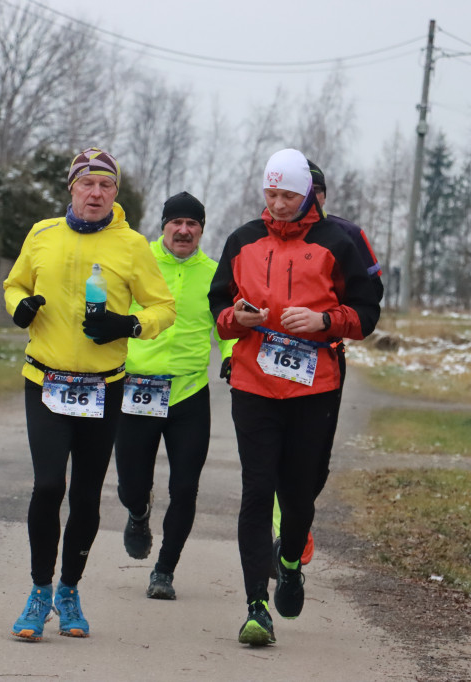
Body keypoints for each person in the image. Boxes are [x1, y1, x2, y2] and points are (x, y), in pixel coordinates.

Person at [3, 147, 176, 642]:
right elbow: (13, 285)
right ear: (71, 189)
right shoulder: (42, 234)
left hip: (104, 388)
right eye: (87, 184)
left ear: (115, 194)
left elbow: (163, 307)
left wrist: (130, 324)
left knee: (84, 497)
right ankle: (39, 591)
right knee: (48, 486)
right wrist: (21, 308)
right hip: (46, 381)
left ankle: (70, 590)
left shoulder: (132, 245)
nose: (95, 193)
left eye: (105, 186)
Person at [209, 148, 380, 646]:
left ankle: (288, 563)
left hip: (315, 386)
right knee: (257, 490)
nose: (278, 204)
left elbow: (366, 314)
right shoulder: (242, 239)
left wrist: (326, 321)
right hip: (253, 383)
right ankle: (255, 608)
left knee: (300, 492)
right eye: (271, 193)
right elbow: (219, 306)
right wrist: (235, 320)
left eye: (288, 195)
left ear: (307, 193)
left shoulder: (337, 242)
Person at [115, 191, 234, 600]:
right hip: (137, 388)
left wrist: (231, 355)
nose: (184, 230)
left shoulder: (215, 273)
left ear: (202, 229)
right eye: (176, 222)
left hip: (188, 393)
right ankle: (138, 511)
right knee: (131, 483)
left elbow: (226, 324)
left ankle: (164, 570)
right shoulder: (138, 262)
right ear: (163, 225)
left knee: (185, 488)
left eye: (192, 224)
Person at [269, 160, 385, 566]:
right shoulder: (267, 232)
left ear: (322, 196)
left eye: (316, 191)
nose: (310, 199)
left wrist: (327, 317)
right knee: (271, 454)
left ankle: (298, 515)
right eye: (304, 190)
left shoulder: (347, 235)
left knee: (313, 463)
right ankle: (285, 531)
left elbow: (371, 293)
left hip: (324, 358)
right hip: (269, 359)